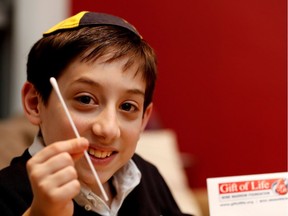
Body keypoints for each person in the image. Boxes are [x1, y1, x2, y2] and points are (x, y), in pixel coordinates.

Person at [0, 11, 192, 216]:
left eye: (127, 107)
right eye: (85, 100)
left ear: (144, 118)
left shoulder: (146, 174)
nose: (108, 129)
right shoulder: (6, 192)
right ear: (35, 103)